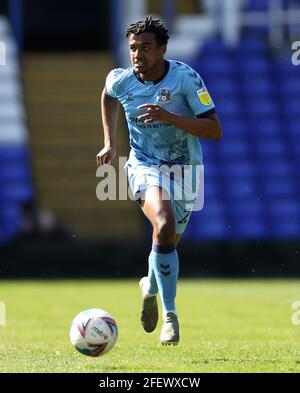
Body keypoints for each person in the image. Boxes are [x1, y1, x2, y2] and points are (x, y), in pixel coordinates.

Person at [96, 16, 222, 345]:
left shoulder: (185, 79)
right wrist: (110, 141)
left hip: (186, 170)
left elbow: (214, 130)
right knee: (163, 223)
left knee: (165, 241)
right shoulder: (122, 80)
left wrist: (170, 117)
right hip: (144, 165)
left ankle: (150, 288)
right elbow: (108, 95)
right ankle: (171, 316)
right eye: (134, 48)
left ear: (163, 49)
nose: (138, 54)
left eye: (146, 48)